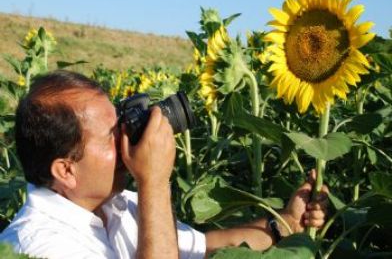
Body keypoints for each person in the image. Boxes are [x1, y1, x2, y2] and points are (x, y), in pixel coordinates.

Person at [0, 70, 328, 259]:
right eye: (111, 135)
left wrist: (283, 223)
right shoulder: (39, 247)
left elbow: (206, 249)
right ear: (65, 170)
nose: (127, 139)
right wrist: (154, 182)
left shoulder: (119, 205)